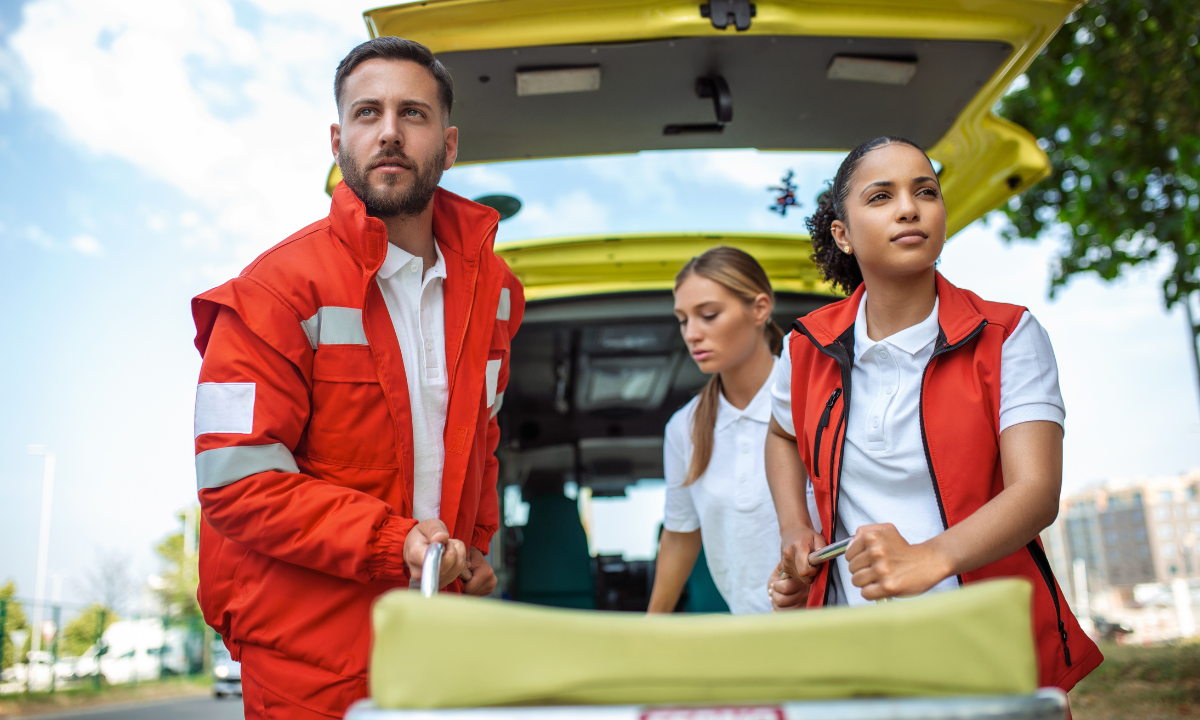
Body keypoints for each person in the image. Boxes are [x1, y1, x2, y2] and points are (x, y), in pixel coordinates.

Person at [190, 37, 524, 719]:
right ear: (339, 138)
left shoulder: (495, 292)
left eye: (414, 114)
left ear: (450, 144)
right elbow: (236, 481)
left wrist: (476, 546)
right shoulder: (276, 289)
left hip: (436, 640)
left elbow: (479, 440)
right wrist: (391, 540)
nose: (391, 134)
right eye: (369, 113)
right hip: (311, 656)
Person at [764, 136, 1101, 692]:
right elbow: (779, 434)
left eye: (926, 191)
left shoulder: (1009, 336)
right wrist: (794, 527)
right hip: (852, 661)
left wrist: (931, 558)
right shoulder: (806, 347)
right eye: (881, 196)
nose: (908, 207)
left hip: (987, 652)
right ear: (842, 235)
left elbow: (1036, 492)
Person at [647, 247, 817, 615]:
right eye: (682, 320)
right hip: (751, 638)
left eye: (708, 315)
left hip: (839, 628)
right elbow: (679, 536)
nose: (691, 334)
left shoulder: (814, 398)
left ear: (759, 308)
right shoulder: (684, 429)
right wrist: (650, 626)